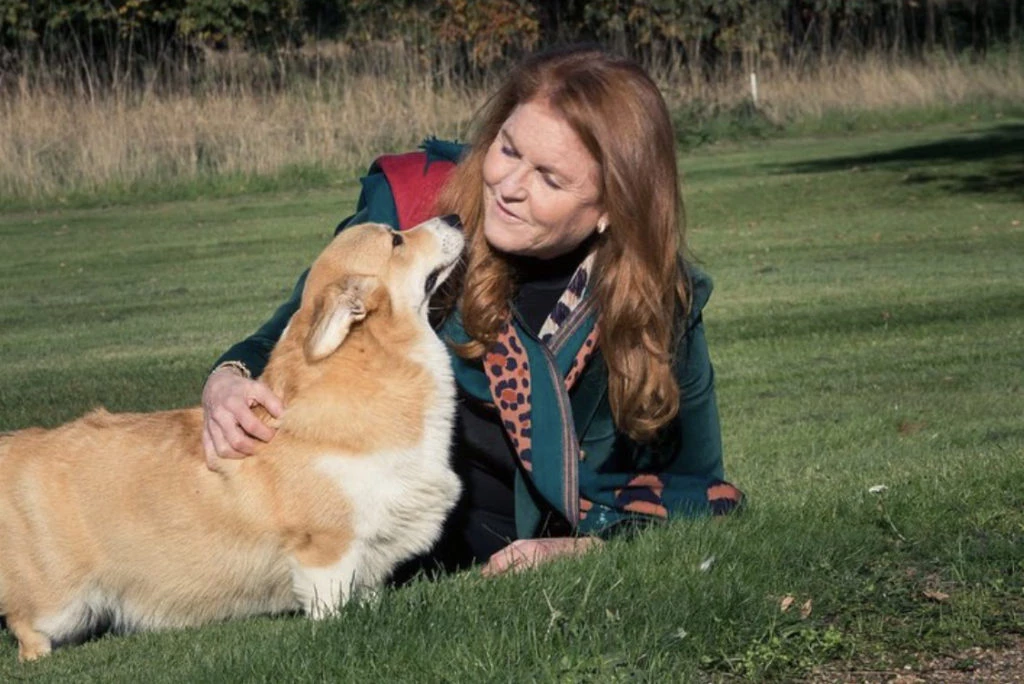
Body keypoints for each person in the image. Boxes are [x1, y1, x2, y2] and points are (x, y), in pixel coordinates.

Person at [200, 44, 743, 579]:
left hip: (518, 552)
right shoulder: (414, 215)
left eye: (550, 178)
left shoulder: (660, 299)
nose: (508, 186)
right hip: (378, 542)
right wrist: (229, 377)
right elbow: (300, 322)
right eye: (508, 149)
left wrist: (587, 547)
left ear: (612, 207)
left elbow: (701, 492)